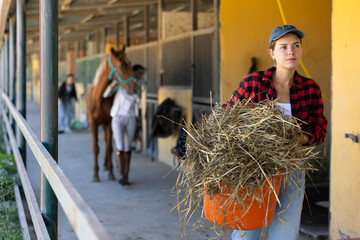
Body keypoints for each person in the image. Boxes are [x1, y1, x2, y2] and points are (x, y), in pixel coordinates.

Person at [223, 25, 327, 240]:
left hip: (292, 168)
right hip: (253, 169)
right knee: (246, 233)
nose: (291, 52)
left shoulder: (310, 88)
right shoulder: (252, 83)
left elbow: (320, 128)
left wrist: (301, 138)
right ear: (272, 53)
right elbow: (226, 117)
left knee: (285, 234)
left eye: (296, 46)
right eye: (284, 47)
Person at [103, 74, 139, 186]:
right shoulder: (119, 88)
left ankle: (126, 175)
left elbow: (138, 100)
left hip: (131, 118)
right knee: (120, 146)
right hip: (118, 118)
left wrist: (134, 89)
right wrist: (113, 84)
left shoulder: (135, 90)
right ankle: (121, 174)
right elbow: (105, 95)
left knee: (128, 147)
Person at [131, 64, 145, 152]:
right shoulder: (130, 83)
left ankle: (135, 144)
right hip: (128, 111)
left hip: (136, 108)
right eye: (139, 73)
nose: (141, 75)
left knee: (137, 127)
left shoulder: (139, 82)